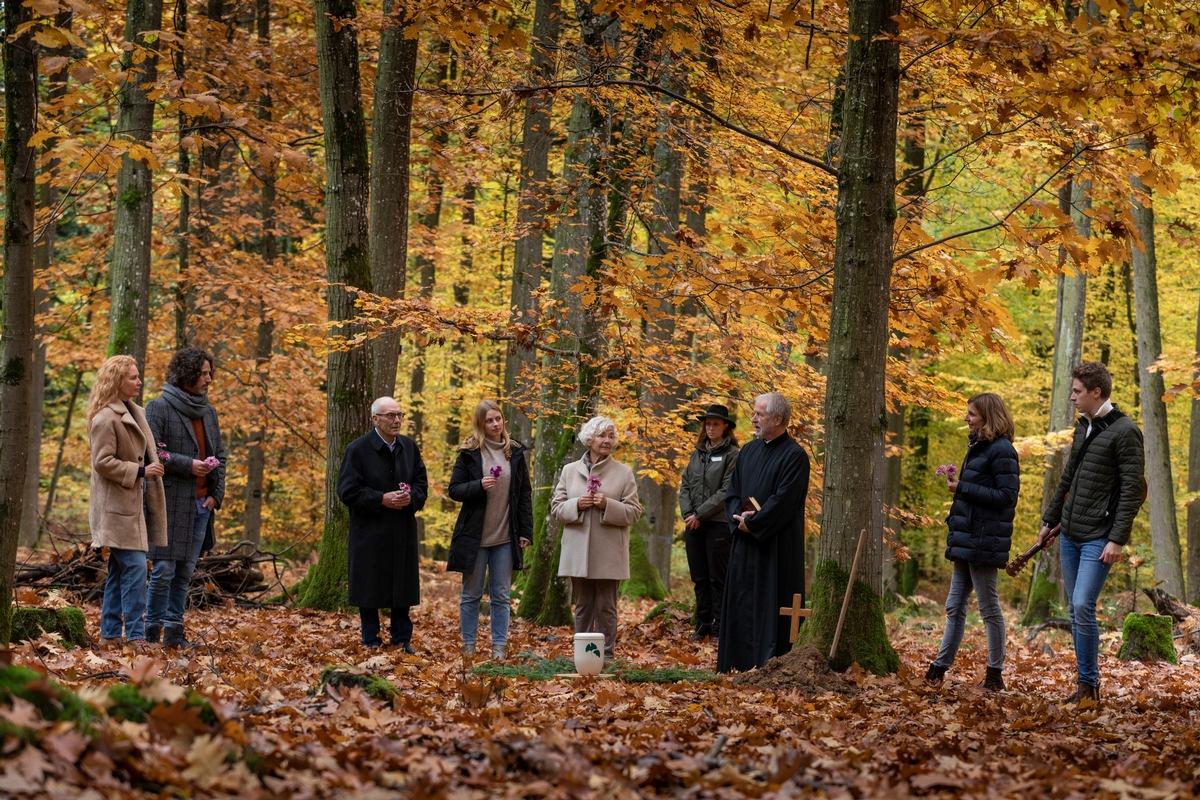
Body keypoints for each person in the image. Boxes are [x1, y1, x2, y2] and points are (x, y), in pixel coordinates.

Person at [1037, 361, 1145, 704]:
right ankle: (1085, 688)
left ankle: (1090, 685)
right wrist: (1048, 522)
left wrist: (1117, 539)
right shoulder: (1083, 428)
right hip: (1069, 532)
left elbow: (1132, 489)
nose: (1072, 397)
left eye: (1077, 391)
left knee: (1083, 603)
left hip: (1100, 535)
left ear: (1096, 392)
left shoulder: (1126, 431)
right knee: (1074, 609)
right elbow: (1067, 480)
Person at [924, 393, 1020, 691]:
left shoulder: (1002, 450)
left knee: (989, 607)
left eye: (972, 414)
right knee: (954, 606)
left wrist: (963, 487)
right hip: (966, 539)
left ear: (988, 417)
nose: (966, 418)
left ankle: (994, 675)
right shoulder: (978, 447)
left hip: (983, 540)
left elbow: (1007, 497)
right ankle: (938, 669)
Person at [717, 392, 810, 673]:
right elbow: (732, 492)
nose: (753, 419)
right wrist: (737, 520)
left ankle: (767, 665)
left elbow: (784, 501)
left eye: (759, 414)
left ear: (778, 419)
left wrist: (754, 523)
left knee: (769, 606)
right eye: (754, 413)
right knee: (740, 603)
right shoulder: (748, 451)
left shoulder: (795, 456)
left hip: (774, 547)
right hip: (745, 545)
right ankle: (735, 662)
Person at [145, 347, 226, 648]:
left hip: (202, 505)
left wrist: (216, 496)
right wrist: (187, 465)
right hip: (169, 503)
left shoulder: (209, 412)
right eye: (203, 373)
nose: (209, 379)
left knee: (184, 572)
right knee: (164, 570)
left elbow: (221, 456)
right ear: (187, 374)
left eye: (209, 372)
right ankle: (151, 632)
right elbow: (153, 454)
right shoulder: (158, 407)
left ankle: (174, 632)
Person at [86, 355, 168, 648]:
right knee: (134, 568)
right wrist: (141, 471)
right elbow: (102, 462)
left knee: (120, 572)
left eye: (138, 376)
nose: (139, 381)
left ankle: (109, 635)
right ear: (116, 381)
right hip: (116, 510)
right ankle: (134, 636)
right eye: (132, 377)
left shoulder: (137, 412)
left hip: (134, 507)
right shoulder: (105, 418)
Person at [338, 396, 428, 652]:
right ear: (375, 419)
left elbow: (422, 483)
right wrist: (381, 499)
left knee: (402, 583)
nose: (397, 420)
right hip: (370, 529)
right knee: (369, 584)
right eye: (390, 415)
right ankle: (370, 638)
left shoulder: (409, 447)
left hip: (402, 528)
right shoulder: (357, 449)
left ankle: (402, 638)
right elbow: (347, 491)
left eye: (399, 414)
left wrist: (411, 498)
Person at [447, 400, 534, 660]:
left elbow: (524, 494)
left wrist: (526, 532)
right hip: (475, 537)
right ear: (480, 424)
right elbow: (454, 490)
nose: (495, 424)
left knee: (501, 595)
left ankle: (498, 648)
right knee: (471, 595)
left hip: (505, 537)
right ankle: (469, 646)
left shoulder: (515, 452)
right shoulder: (469, 452)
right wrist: (478, 485)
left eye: (498, 419)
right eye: (489, 420)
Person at [552, 416, 642, 659]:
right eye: (602, 435)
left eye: (611, 436)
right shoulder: (569, 471)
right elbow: (557, 508)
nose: (607, 440)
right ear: (589, 439)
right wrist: (577, 504)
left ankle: (607, 656)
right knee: (582, 607)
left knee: (606, 607)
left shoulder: (624, 473)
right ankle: (582, 656)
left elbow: (634, 512)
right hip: (577, 551)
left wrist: (607, 504)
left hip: (610, 552)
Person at [678, 404, 740, 642]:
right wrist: (688, 514)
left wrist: (699, 514)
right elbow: (685, 486)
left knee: (718, 579)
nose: (711, 427)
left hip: (717, 524)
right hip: (693, 524)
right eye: (708, 423)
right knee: (699, 578)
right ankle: (703, 623)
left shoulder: (733, 455)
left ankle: (719, 628)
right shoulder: (697, 453)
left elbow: (726, 490)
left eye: (716, 423)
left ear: (725, 426)